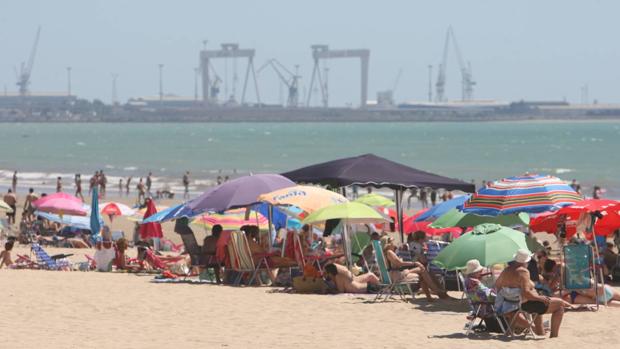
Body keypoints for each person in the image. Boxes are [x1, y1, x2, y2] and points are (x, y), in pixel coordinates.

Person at [495, 249, 571, 338]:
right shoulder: (523, 272)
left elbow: (497, 285)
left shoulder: (507, 270)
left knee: (540, 308)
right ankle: (554, 337)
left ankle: (540, 332)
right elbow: (526, 293)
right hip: (524, 304)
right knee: (560, 306)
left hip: (511, 303)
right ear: (527, 261)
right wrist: (540, 298)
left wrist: (510, 294)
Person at [382, 236, 450, 301]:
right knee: (422, 270)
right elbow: (399, 263)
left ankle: (436, 292)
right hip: (397, 275)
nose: (394, 243)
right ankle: (438, 291)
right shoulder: (389, 252)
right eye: (392, 241)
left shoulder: (389, 252)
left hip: (399, 273)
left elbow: (398, 263)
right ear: (388, 243)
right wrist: (415, 263)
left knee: (424, 270)